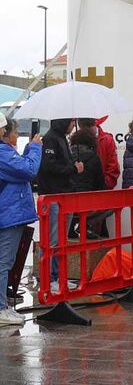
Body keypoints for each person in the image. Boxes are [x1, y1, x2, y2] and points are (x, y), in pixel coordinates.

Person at [0, 116, 41, 325]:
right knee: (3, 262)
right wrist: (35, 148)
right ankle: (1, 309)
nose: (17, 136)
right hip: (8, 214)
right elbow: (28, 170)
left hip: (8, 214)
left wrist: (27, 152)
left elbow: (20, 169)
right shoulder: (2, 153)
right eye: (15, 132)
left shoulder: (6, 153)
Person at [37, 118, 77, 289]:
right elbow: (48, 166)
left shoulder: (61, 138)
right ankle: (49, 278)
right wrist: (73, 169)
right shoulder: (50, 139)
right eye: (72, 122)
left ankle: (59, 276)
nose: (73, 125)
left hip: (63, 195)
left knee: (61, 240)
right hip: (53, 196)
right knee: (53, 239)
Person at [95, 117, 120, 190]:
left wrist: (105, 185)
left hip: (104, 189)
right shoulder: (76, 140)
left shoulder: (107, 139)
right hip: (82, 190)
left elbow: (113, 167)